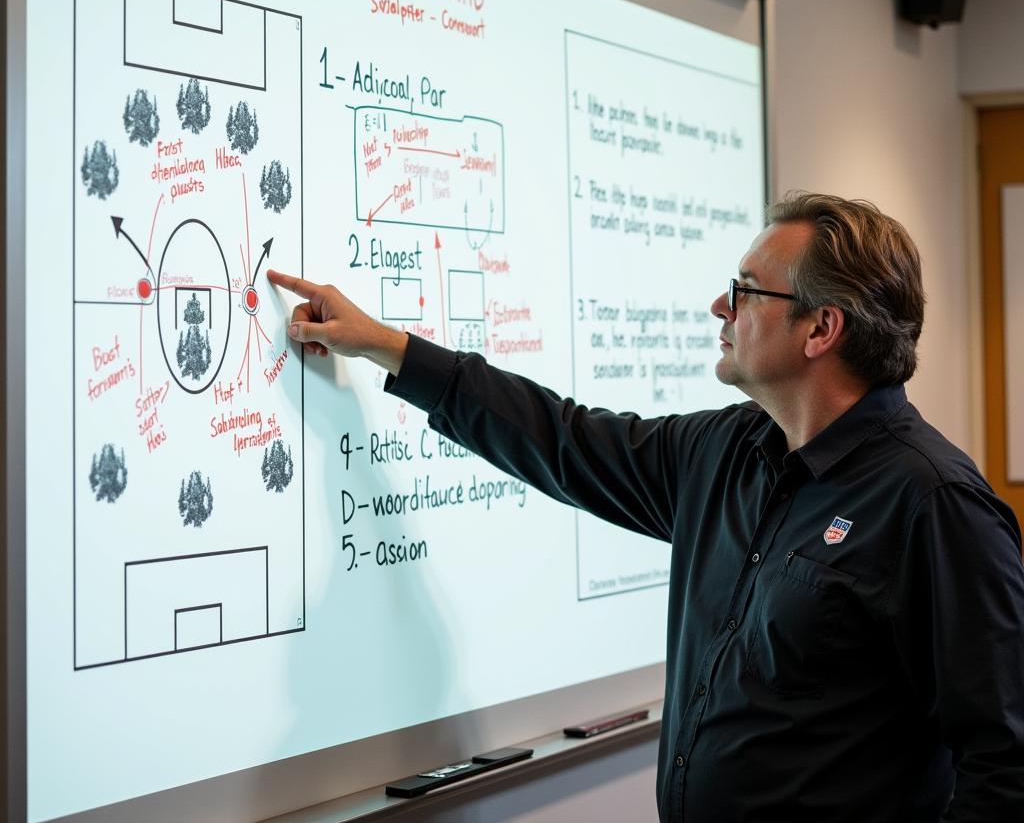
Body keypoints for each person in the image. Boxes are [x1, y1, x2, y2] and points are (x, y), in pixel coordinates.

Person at [267, 192, 1024, 823]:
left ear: (822, 329)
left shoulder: (933, 504)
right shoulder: (727, 453)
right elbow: (563, 439)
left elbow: (1005, 759)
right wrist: (392, 348)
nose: (719, 306)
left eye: (748, 290)